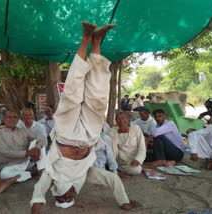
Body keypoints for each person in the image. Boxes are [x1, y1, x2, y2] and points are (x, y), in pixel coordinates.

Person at [30, 22, 141, 214]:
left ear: (56, 194)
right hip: (89, 136)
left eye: (63, 197)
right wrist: (124, 203)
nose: (69, 195)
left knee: (72, 91)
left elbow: (39, 191)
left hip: (65, 134)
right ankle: (97, 41)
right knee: (97, 95)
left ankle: (85, 39)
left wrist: (35, 210)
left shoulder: (52, 176)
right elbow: (112, 179)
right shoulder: (85, 176)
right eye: (70, 199)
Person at [0, 111, 47, 182]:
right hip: (11, 165)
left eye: (15, 117)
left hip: (27, 162)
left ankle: (41, 170)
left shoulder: (23, 130)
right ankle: (32, 173)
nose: (12, 119)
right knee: (4, 175)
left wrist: (37, 147)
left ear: (18, 120)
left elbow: (42, 137)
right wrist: (28, 153)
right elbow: (6, 152)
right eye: (9, 117)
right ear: (4, 119)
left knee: (40, 146)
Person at [110, 111, 146, 178]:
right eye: (118, 119)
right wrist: (118, 132)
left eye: (123, 118)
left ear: (127, 118)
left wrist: (138, 159)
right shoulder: (113, 131)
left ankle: (119, 168)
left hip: (133, 158)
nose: (121, 120)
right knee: (109, 140)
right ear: (116, 121)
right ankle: (116, 167)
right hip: (120, 159)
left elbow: (142, 147)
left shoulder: (136, 128)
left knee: (137, 170)